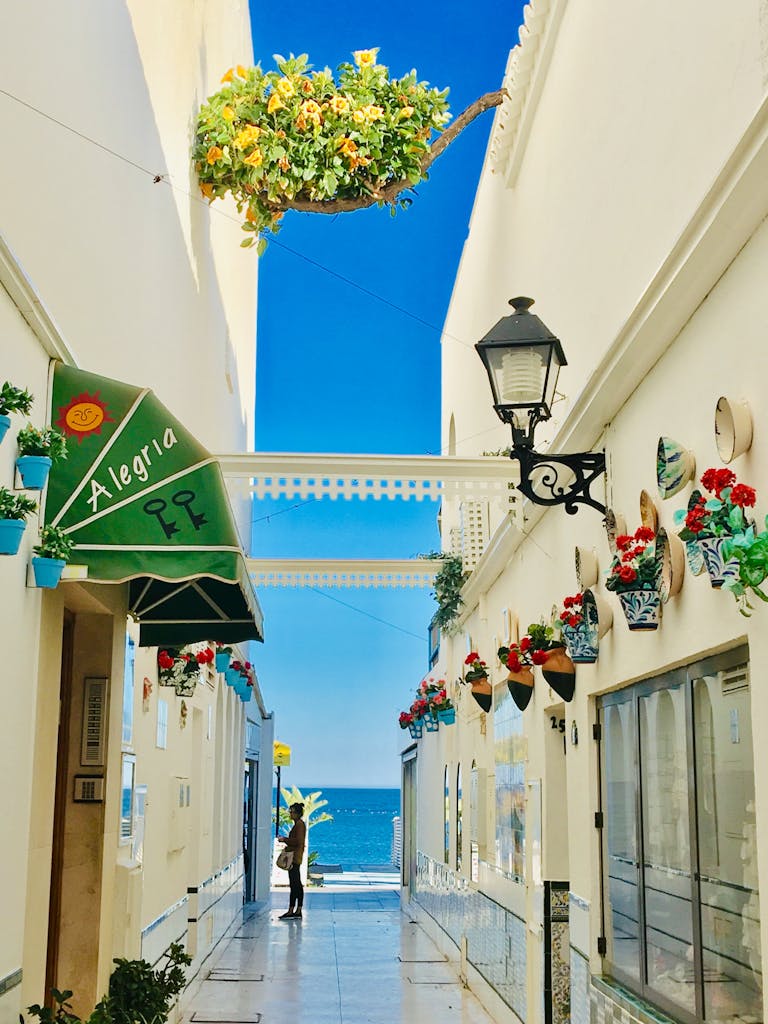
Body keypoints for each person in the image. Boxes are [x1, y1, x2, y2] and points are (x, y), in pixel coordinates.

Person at [277, 802, 306, 919]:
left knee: (295, 884)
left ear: (297, 813)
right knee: (296, 883)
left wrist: (284, 839)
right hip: (296, 857)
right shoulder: (299, 825)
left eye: (292, 812)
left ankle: (293, 909)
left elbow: (297, 841)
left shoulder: (299, 825)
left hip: (294, 858)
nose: (290, 814)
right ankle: (295, 908)